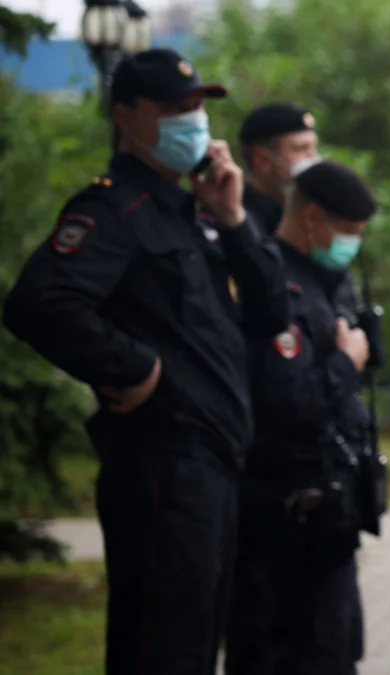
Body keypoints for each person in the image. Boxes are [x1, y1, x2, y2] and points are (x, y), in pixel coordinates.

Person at [2, 48, 290, 675]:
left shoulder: (195, 210)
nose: (193, 120)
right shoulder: (113, 210)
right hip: (163, 467)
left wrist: (234, 218)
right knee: (161, 654)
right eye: (174, 109)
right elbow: (38, 302)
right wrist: (132, 367)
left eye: (198, 107)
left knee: (195, 650)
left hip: (214, 467)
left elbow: (272, 313)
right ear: (127, 117)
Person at [223, 160, 378, 675]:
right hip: (285, 519)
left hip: (324, 522)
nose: (352, 243)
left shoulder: (321, 281)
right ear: (313, 218)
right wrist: (347, 362)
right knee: (294, 654)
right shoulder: (275, 287)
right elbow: (285, 400)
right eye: (348, 230)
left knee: (336, 649)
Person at [238, 102, 320, 235]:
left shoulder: (309, 214)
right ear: (262, 159)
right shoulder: (235, 217)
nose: (312, 157)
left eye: (313, 148)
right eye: (301, 148)